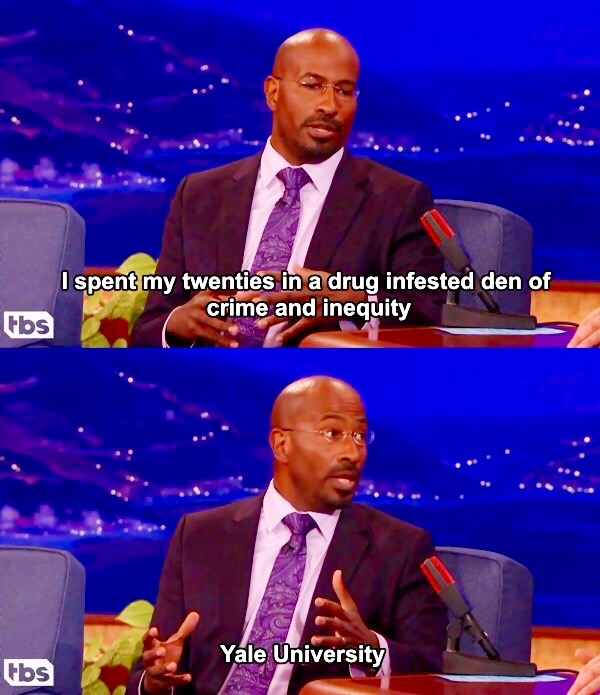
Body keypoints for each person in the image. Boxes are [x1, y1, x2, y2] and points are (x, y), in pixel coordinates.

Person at [126, 376, 447, 695]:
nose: (353, 452)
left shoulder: (402, 548)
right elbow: (155, 664)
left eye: (360, 436)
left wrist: (370, 650)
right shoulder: (200, 535)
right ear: (282, 445)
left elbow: (429, 670)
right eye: (333, 433)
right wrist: (155, 681)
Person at [131, 29, 445, 347]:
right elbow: (149, 329)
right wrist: (176, 325)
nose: (330, 105)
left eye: (344, 91)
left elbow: (426, 315)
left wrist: (356, 302)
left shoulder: (399, 200)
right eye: (312, 85)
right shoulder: (198, 195)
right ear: (273, 93)